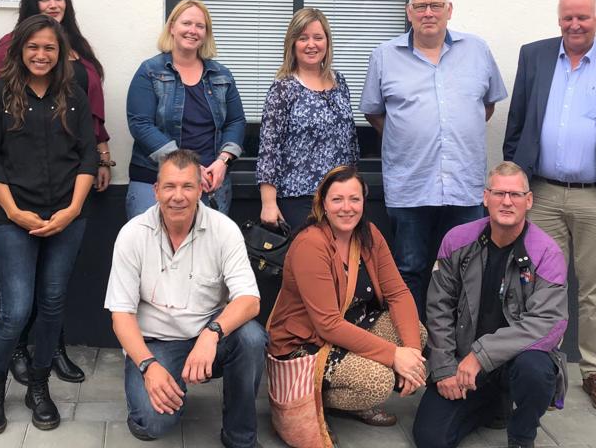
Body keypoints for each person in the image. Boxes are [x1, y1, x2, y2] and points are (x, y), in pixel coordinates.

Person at [502, 0, 596, 416]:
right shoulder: (535, 56)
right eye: (568, 17)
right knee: (540, 286)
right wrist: (518, 182)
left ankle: (595, 371)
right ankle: (542, 369)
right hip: (543, 195)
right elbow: (517, 124)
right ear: (558, 19)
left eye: (583, 17)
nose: (575, 24)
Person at [0, 0, 111, 384]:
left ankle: (50, 353)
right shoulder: (9, 49)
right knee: (19, 299)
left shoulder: (78, 51)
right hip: (18, 188)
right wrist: (1, 193)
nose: (52, 5)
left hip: (70, 180)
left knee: (54, 292)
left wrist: (102, 157)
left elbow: (92, 116)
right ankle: (16, 354)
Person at [0, 14, 98, 435]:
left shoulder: (74, 94)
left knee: (51, 306)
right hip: (15, 217)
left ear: (60, 52)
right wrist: (14, 212)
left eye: (49, 47)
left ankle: (39, 386)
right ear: (19, 50)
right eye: (33, 47)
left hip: (67, 216)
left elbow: (88, 156)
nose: (41, 54)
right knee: (15, 311)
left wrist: (72, 209)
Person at [360, 0, 507, 318]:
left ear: (448, 10)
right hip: (410, 185)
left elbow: (486, 106)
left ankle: (455, 345)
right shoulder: (384, 56)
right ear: (408, 12)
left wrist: (452, 130)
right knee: (409, 269)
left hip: (464, 187)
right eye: (420, 6)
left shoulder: (477, 51)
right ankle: (413, 343)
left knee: (465, 270)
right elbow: (374, 113)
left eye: (436, 5)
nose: (428, 13)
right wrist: (409, 137)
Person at [105, 149, 267, 447]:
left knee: (252, 338)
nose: (177, 196)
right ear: (156, 191)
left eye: (187, 186)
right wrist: (148, 366)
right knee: (152, 423)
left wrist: (211, 333)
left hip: (208, 337)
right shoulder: (132, 234)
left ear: (201, 190)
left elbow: (249, 300)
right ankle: (154, 389)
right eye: (169, 186)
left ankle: (240, 437)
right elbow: (121, 315)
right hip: (157, 343)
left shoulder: (224, 230)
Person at [414, 162, 568, 448]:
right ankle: (492, 404)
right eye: (499, 193)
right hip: (462, 363)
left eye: (515, 194)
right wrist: (444, 368)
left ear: (529, 201)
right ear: (485, 198)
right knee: (431, 439)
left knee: (535, 369)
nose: (507, 201)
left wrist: (480, 355)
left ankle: (521, 437)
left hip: (514, 364)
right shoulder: (457, 240)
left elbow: (548, 323)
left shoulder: (547, 253)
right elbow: (438, 308)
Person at [267, 166, 426, 428]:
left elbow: (398, 293)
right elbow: (327, 324)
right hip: (306, 343)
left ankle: (354, 388)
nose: (346, 208)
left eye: (354, 199)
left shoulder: (369, 234)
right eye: (337, 199)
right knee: (379, 382)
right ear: (323, 204)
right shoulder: (311, 244)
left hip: (350, 327)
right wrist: (394, 356)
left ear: (364, 201)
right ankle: (312, 398)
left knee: (415, 333)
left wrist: (412, 356)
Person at [126, 0, 246, 218]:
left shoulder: (222, 75)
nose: (193, 30)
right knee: (152, 241)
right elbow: (140, 124)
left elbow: (235, 122)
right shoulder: (150, 71)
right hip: (154, 179)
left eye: (200, 26)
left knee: (208, 242)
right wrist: (187, 166)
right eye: (186, 23)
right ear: (172, 27)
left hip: (209, 184)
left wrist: (223, 161)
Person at [257, 8, 359, 231]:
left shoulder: (340, 82)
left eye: (318, 37)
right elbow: (269, 148)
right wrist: (268, 203)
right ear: (292, 43)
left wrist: (355, 191)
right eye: (303, 38)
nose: (311, 44)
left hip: (340, 198)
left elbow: (350, 142)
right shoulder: (283, 88)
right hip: (299, 198)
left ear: (327, 42)